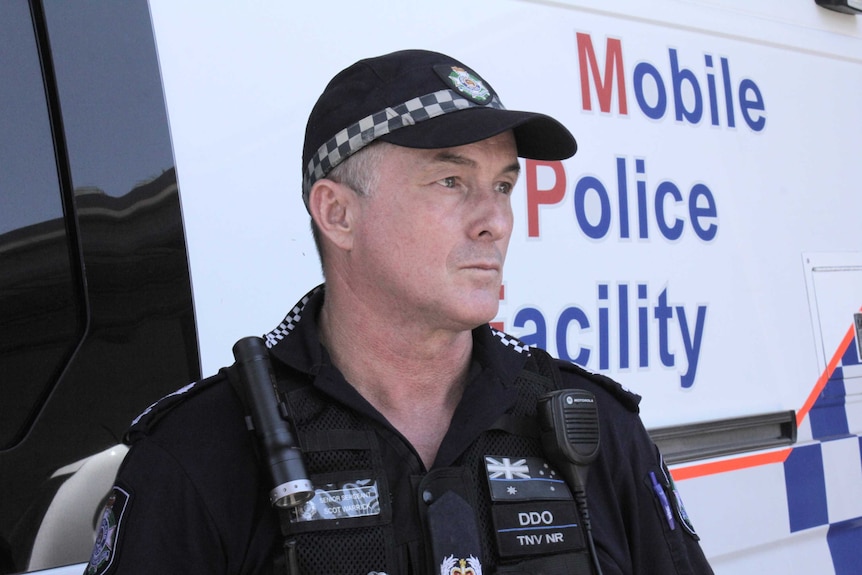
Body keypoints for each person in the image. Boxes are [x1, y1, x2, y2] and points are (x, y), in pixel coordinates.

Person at [85, 49, 714, 575]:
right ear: (338, 213)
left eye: (502, 185)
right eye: (450, 182)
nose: (495, 221)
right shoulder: (199, 455)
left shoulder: (592, 428)